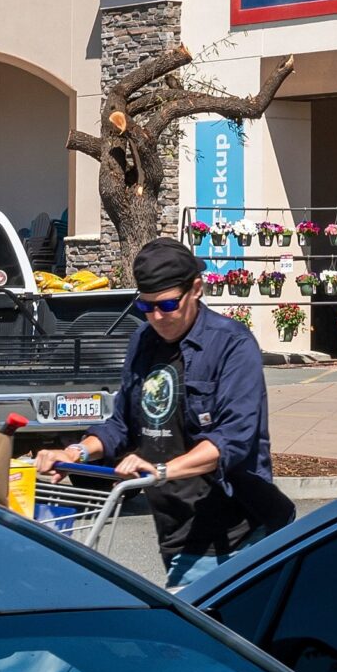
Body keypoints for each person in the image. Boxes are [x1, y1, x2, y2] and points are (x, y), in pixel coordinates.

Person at [33, 237, 294, 588]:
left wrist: (160, 470)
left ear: (197, 289)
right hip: (175, 529)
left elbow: (233, 440)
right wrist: (74, 452)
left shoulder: (231, 344)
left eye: (168, 304)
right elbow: (120, 424)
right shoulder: (143, 341)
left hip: (237, 534)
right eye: (146, 307)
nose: (157, 316)